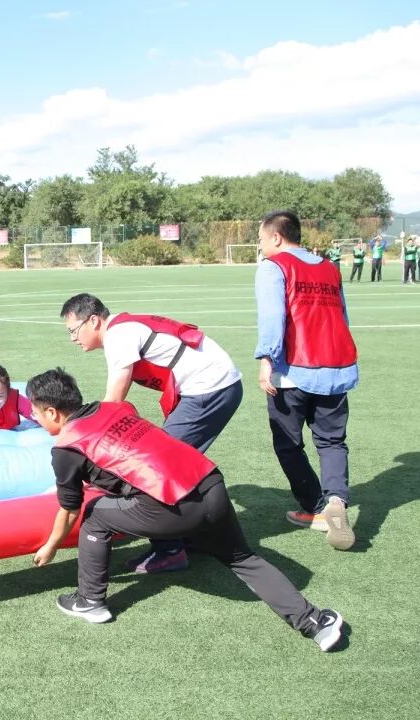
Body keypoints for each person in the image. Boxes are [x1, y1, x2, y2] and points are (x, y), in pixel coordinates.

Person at [26, 369, 345, 652]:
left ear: (52, 412)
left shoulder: (66, 448)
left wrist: (51, 546)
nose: (35, 419)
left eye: (36, 413)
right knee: (242, 558)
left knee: (95, 516)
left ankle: (90, 601)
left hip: (172, 506)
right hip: (210, 483)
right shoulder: (116, 408)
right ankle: (315, 623)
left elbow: (70, 508)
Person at [59, 293, 243, 573]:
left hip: (210, 388)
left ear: (93, 321)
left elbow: (113, 402)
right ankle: (197, 535)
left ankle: (170, 550)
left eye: (74, 330)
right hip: (215, 385)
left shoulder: (118, 336)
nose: (73, 338)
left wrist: (88, 445)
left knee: (158, 467)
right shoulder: (122, 329)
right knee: (177, 462)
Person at [255, 210, 358, 551]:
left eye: (261, 239)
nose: (260, 245)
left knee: (288, 443)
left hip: (294, 371)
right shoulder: (329, 267)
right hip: (336, 366)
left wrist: (267, 360)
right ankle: (336, 501)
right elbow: (342, 316)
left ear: (276, 237)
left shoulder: (273, 267)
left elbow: (273, 317)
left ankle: (315, 508)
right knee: (332, 442)